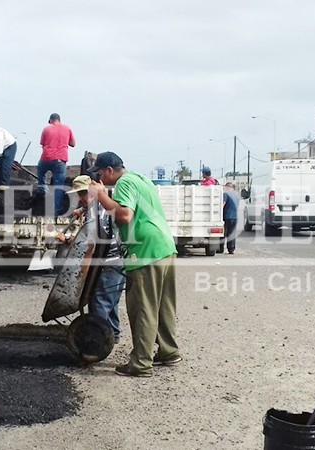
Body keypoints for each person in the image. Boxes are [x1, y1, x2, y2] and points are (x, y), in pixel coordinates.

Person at [88, 152, 181, 378]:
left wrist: (100, 195)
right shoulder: (141, 179)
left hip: (145, 251)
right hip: (164, 246)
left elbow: (125, 215)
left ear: (110, 170)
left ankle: (140, 364)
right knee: (163, 305)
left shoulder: (124, 183)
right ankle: (168, 351)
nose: (99, 178)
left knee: (143, 307)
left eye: (100, 173)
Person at [56, 175, 125, 343]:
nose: (80, 198)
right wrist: (82, 210)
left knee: (99, 302)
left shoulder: (97, 211)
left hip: (108, 262)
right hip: (117, 261)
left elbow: (89, 242)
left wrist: (67, 240)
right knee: (110, 300)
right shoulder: (101, 204)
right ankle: (113, 335)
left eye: (83, 194)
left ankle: (96, 342)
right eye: (78, 194)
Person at [39, 113, 76, 216]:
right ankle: (56, 211)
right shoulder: (67, 128)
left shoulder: (46, 129)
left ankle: (42, 190)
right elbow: (73, 144)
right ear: (59, 120)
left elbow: (43, 144)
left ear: (51, 120)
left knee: (41, 170)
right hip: (60, 160)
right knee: (58, 185)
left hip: (46, 158)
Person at [222, 182, 240, 254]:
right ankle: (231, 249)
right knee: (232, 233)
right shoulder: (236, 196)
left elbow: (223, 204)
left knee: (223, 233)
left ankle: (220, 249)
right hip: (235, 217)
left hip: (227, 216)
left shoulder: (225, 194)